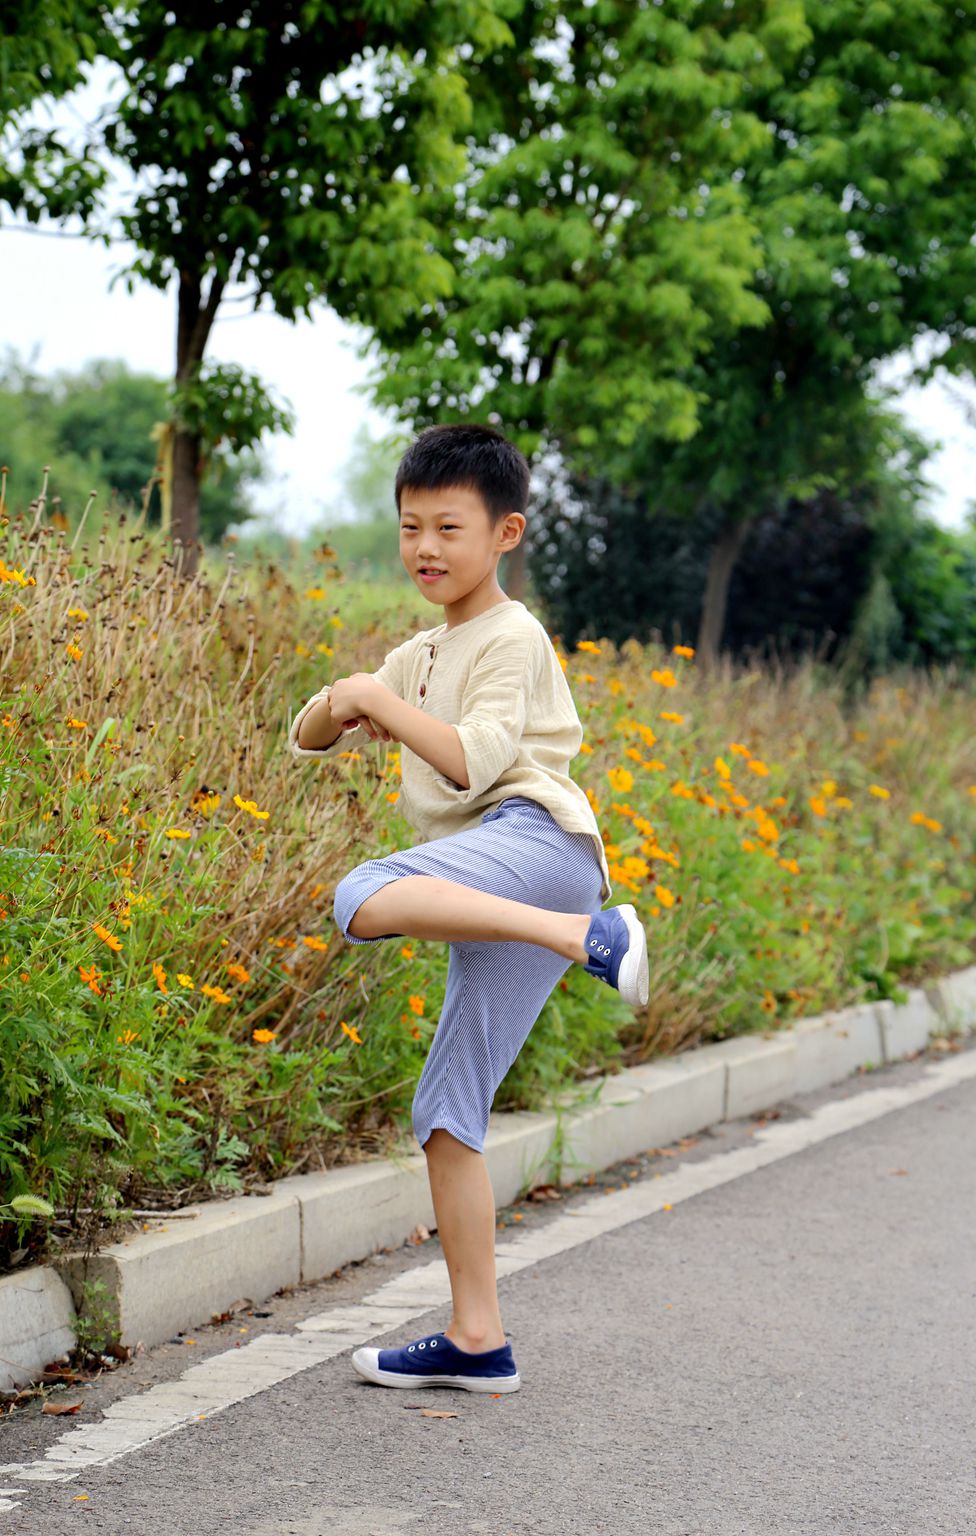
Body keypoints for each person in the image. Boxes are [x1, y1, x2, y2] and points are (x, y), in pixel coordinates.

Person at [289, 422, 649, 1395]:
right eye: (411, 527)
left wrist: (378, 702)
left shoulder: (511, 635)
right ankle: (478, 1339)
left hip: (535, 846)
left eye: (449, 527)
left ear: (505, 533)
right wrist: (349, 696)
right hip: (501, 877)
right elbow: (308, 735)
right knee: (447, 1114)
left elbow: (470, 761)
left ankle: (585, 937)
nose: (426, 548)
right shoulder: (421, 653)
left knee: (361, 893)